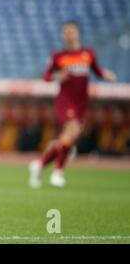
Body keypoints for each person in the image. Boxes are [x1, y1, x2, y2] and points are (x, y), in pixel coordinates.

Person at [29, 21, 116, 188]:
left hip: (81, 102)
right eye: (66, 32)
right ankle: (58, 172)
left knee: (67, 138)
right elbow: (46, 76)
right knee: (72, 130)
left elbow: (96, 70)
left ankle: (39, 165)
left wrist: (106, 75)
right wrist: (57, 77)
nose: (69, 34)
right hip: (65, 101)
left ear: (77, 33)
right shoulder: (59, 56)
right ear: (62, 35)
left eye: (71, 31)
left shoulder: (88, 54)